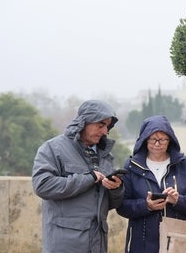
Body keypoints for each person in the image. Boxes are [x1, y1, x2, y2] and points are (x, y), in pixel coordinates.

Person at [32, 99, 124, 253]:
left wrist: (115, 189)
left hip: (98, 244)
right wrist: (88, 178)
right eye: (100, 125)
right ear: (84, 122)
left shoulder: (106, 156)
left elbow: (110, 204)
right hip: (64, 244)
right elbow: (42, 186)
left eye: (107, 127)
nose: (104, 131)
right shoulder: (52, 148)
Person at [117, 115, 186, 253]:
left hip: (178, 242)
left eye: (162, 139)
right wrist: (146, 205)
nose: (157, 144)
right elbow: (122, 206)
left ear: (170, 140)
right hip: (142, 243)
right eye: (153, 139)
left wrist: (178, 200)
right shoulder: (131, 166)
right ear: (145, 139)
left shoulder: (184, 164)